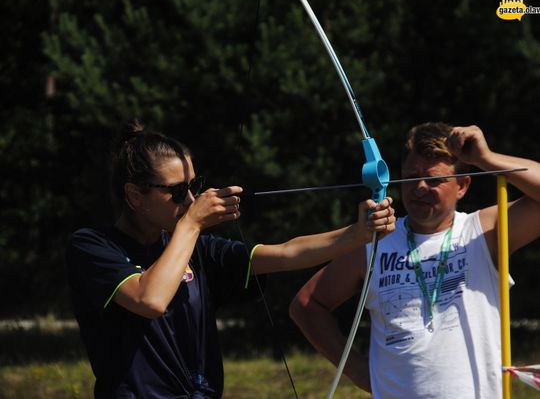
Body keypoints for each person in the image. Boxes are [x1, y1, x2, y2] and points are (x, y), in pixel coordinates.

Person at [65, 120, 396, 399]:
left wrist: (358, 234)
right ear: (135, 195)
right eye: (178, 192)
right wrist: (192, 223)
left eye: (195, 186)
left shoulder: (194, 246)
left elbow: (285, 254)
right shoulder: (92, 247)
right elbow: (150, 298)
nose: (192, 199)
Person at [289, 122, 540, 398]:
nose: (420, 187)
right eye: (411, 176)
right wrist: (359, 371)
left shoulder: (483, 230)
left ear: (462, 186)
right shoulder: (376, 240)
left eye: (434, 180)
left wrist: (486, 159)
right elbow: (307, 304)